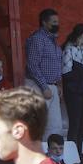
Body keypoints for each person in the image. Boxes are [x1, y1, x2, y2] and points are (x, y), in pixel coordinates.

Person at [24, 8, 65, 137]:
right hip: (38, 86)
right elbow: (32, 65)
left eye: (57, 21)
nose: (57, 24)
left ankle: (50, 155)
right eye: (54, 21)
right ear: (44, 23)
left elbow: (56, 65)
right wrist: (44, 86)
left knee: (55, 127)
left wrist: (58, 85)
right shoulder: (38, 39)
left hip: (51, 87)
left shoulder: (53, 41)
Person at [61, 24, 83, 149]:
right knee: (75, 123)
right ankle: (73, 151)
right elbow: (66, 72)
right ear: (81, 35)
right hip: (74, 91)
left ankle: (82, 151)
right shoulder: (68, 50)